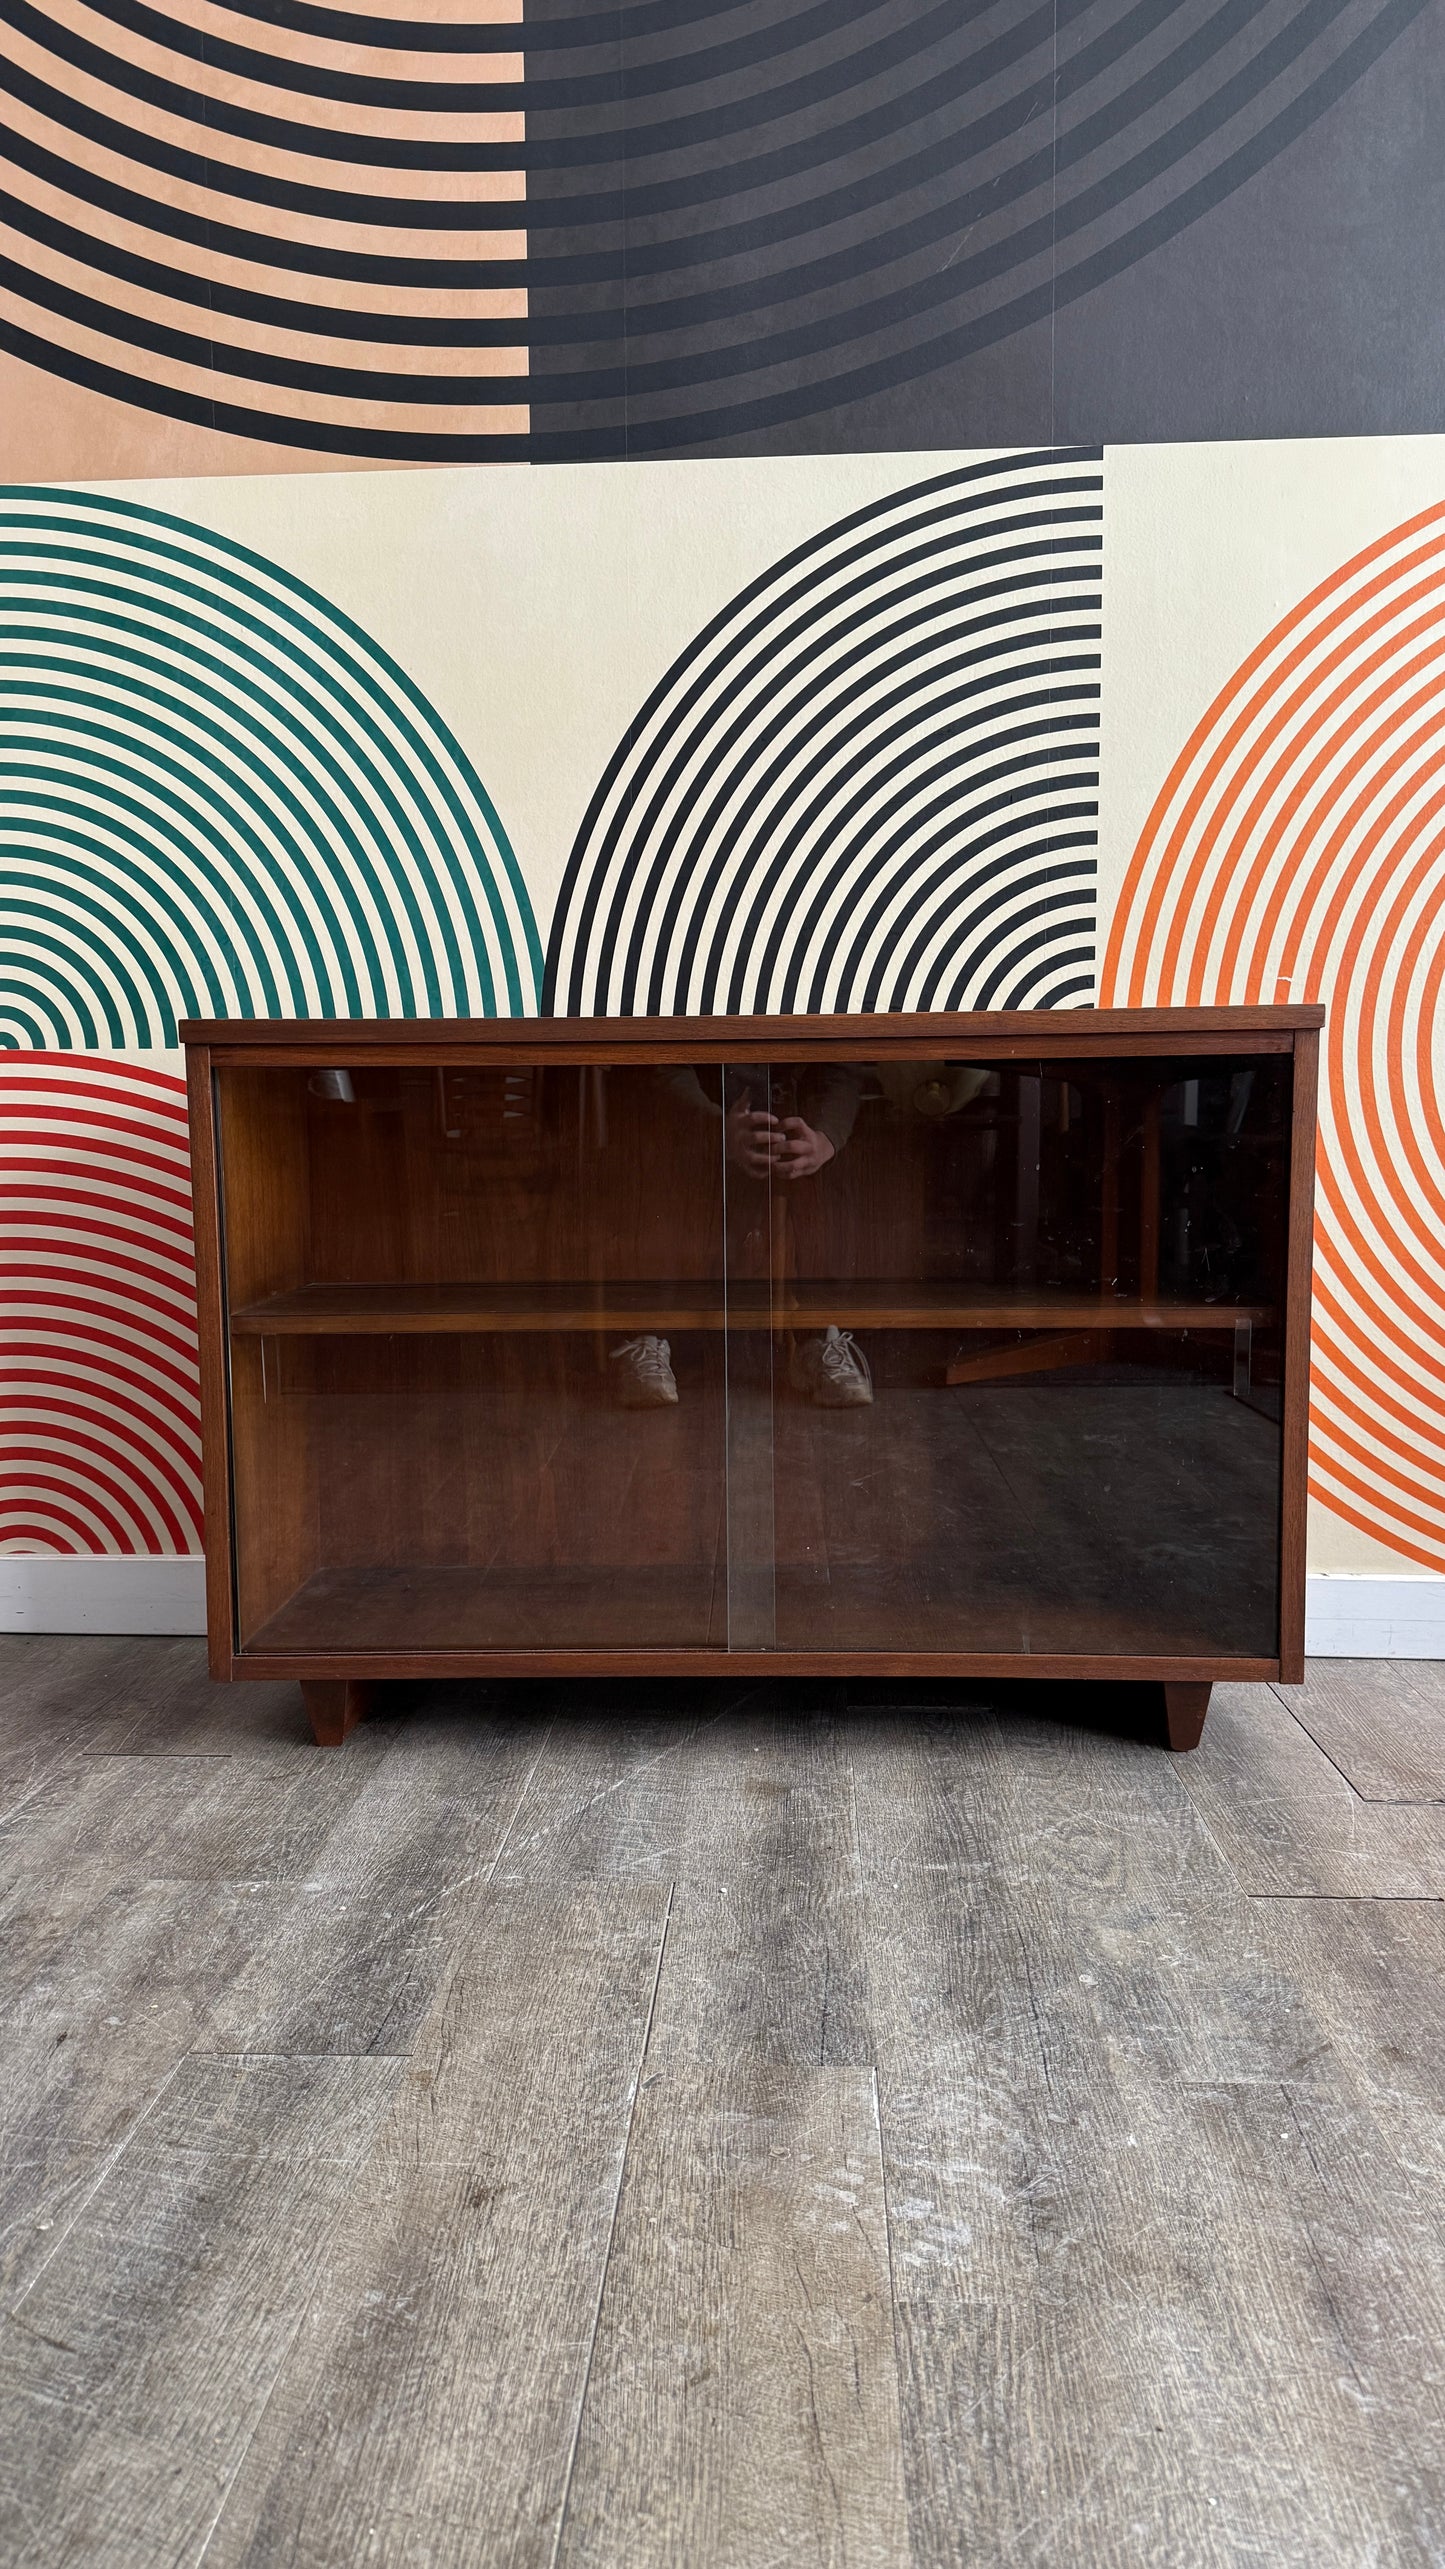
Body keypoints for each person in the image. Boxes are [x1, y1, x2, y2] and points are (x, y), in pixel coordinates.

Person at [610, 1063, 873, 1410]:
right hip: (694, 1122)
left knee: (834, 1164)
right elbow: (660, 1059)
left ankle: (819, 1338)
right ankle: (648, 1333)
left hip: (793, 1123)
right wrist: (715, 1130)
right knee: (655, 1160)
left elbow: (843, 1063)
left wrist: (826, 1139)